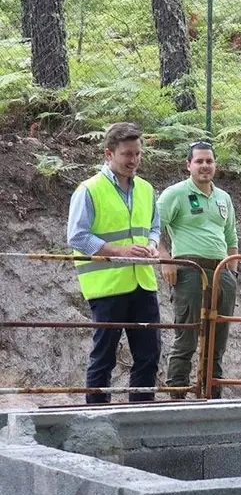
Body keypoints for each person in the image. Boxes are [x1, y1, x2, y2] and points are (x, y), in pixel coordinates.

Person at [67, 122, 161, 404]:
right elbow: (77, 236)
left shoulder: (146, 189)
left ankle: (141, 414)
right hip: (107, 286)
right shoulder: (89, 189)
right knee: (104, 356)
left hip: (143, 283)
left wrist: (152, 245)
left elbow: (154, 228)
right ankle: (96, 417)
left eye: (138, 154)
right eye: (127, 154)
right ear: (109, 154)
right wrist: (119, 251)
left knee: (149, 355)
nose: (134, 160)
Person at [157, 141, 238, 399]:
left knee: (218, 338)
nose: (205, 166)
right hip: (190, 271)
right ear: (188, 165)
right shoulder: (175, 194)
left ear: (215, 164)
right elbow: (153, 229)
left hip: (222, 272)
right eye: (199, 161)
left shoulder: (223, 198)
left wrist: (232, 273)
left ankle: (212, 393)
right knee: (187, 336)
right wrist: (165, 260)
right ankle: (178, 392)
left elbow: (231, 237)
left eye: (209, 161)